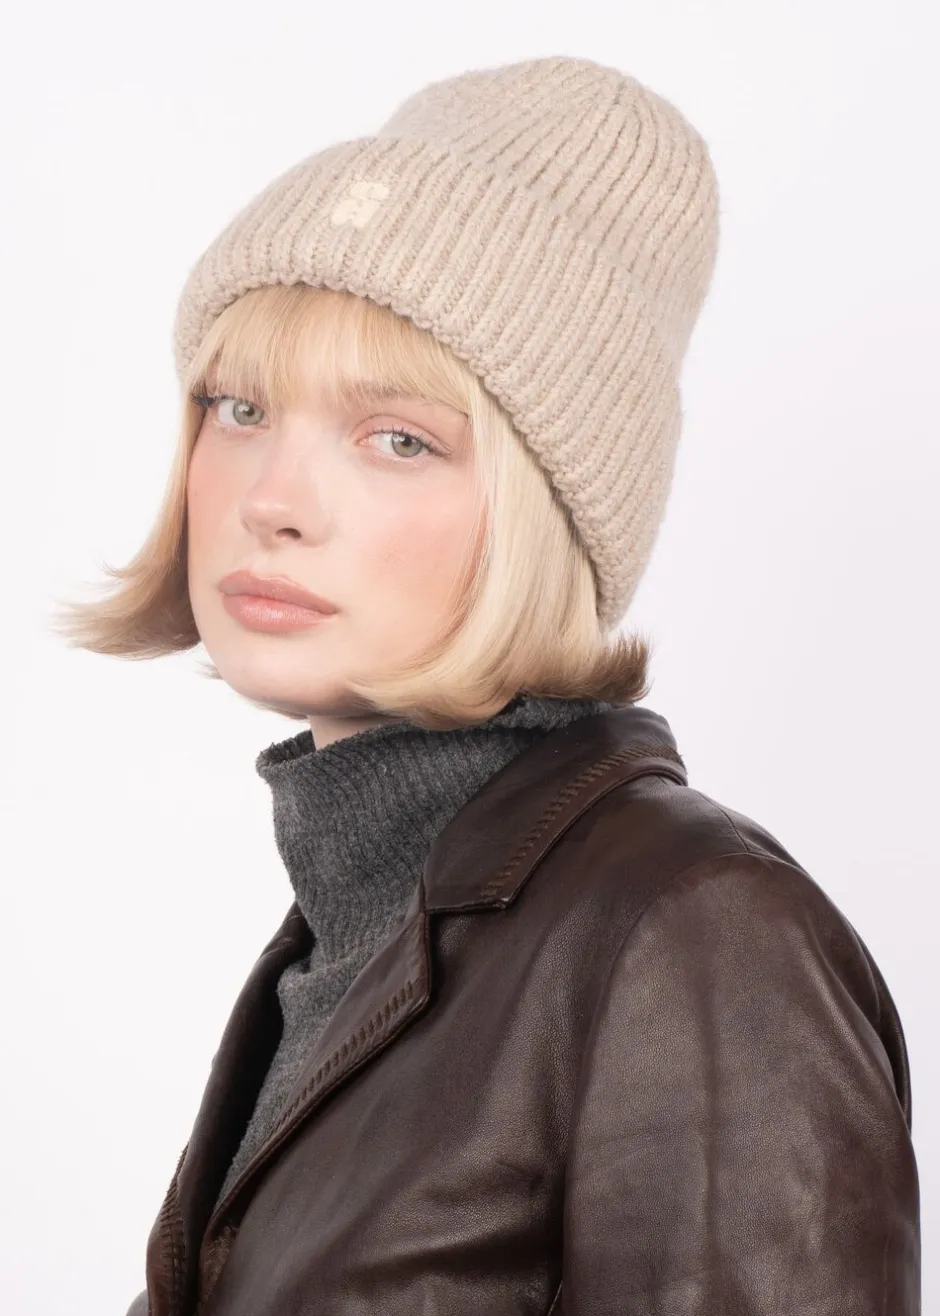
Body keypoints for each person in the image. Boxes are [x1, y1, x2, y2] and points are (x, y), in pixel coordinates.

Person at [52, 54, 920, 1316]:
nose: (272, 499)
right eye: (240, 408)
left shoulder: (692, 932)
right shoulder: (354, 930)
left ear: (542, 516)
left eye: (398, 438)